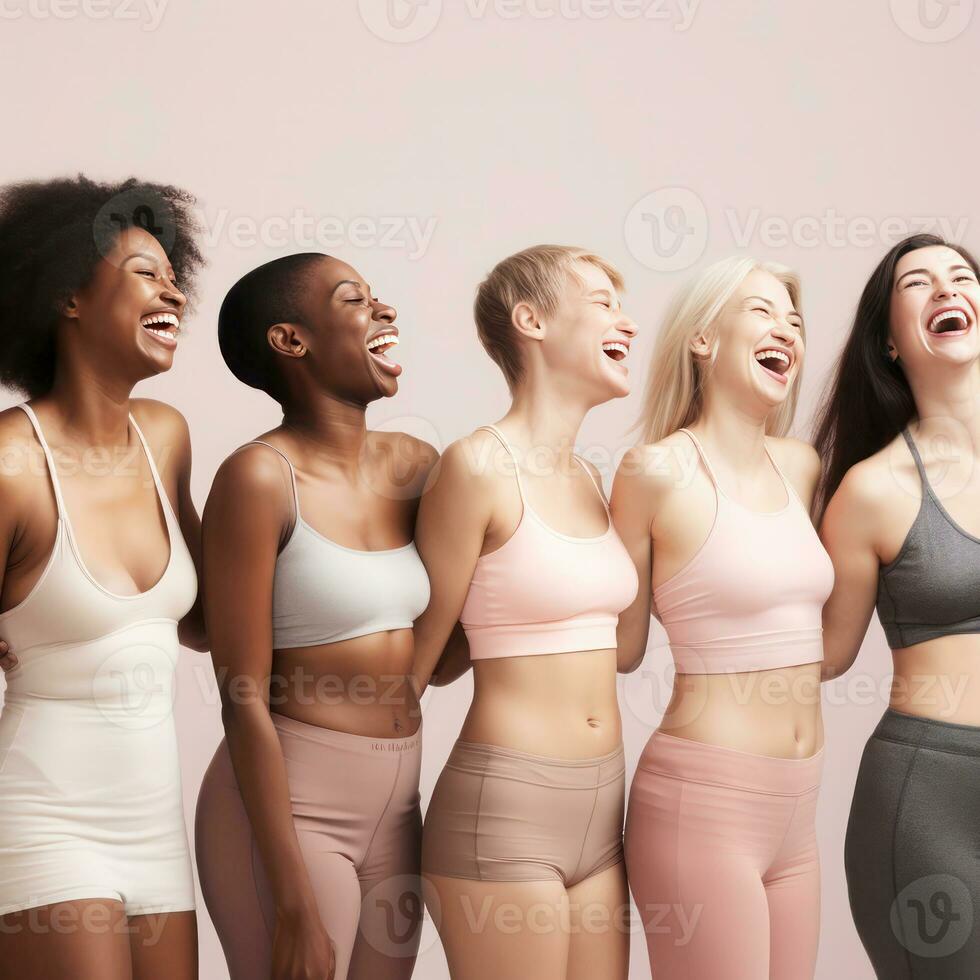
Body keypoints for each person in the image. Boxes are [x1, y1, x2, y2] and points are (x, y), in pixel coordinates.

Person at [194, 253, 437, 980]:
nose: (384, 310)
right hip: (289, 808)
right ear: (291, 341)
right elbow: (241, 698)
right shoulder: (258, 477)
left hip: (400, 809)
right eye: (355, 300)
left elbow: (452, 645)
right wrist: (293, 900)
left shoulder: (418, 467)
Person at [0, 174, 207, 979]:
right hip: (43, 821)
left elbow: (202, 624)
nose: (173, 291)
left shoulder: (166, 437)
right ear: (68, 298)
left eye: (173, 273)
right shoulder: (14, 462)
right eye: (144, 273)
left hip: (156, 828)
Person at [414, 244, 640, 980]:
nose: (628, 323)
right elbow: (421, 664)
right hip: (505, 811)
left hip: (605, 812)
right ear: (531, 320)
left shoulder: (591, 477)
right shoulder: (476, 465)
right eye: (604, 301)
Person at [614, 256, 832, 979]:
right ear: (702, 340)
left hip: (798, 811)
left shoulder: (800, 466)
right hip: (703, 804)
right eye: (764, 312)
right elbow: (619, 646)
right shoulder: (655, 472)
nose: (787, 332)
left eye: (796, 321)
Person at [814, 234, 980, 978]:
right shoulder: (872, 491)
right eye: (919, 283)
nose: (947, 288)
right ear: (888, 338)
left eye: (962, 276)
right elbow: (824, 655)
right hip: (930, 799)